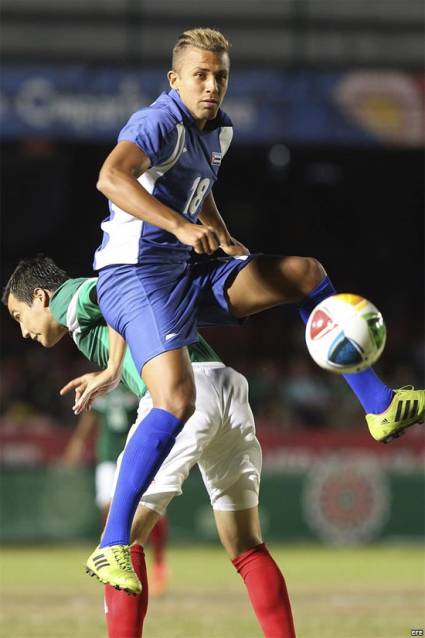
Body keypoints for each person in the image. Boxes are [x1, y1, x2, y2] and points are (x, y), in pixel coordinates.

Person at [66, 26, 424, 589]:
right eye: (201, 76)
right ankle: (112, 544)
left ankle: (378, 405)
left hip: (186, 269)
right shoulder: (156, 121)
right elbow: (110, 176)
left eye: (221, 77)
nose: (211, 86)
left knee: (305, 273)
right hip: (133, 275)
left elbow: (197, 186)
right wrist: (183, 228)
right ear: (175, 79)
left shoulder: (219, 132)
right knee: (177, 399)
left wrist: (221, 235)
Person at [4, 255, 296, 638]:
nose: (23, 331)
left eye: (18, 316)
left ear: (40, 296)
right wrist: (114, 365)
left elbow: (114, 291)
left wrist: (112, 368)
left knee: (120, 540)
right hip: (226, 387)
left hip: (186, 392)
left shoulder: (66, 298)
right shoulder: (81, 318)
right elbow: (127, 303)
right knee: (245, 544)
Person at [62, 384, 169, 595]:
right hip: (108, 457)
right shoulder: (102, 386)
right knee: (108, 505)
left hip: (138, 456)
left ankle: (159, 564)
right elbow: (90, 419)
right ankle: (113, 554)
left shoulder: (139, 383)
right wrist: (77, 442)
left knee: (153, 509)